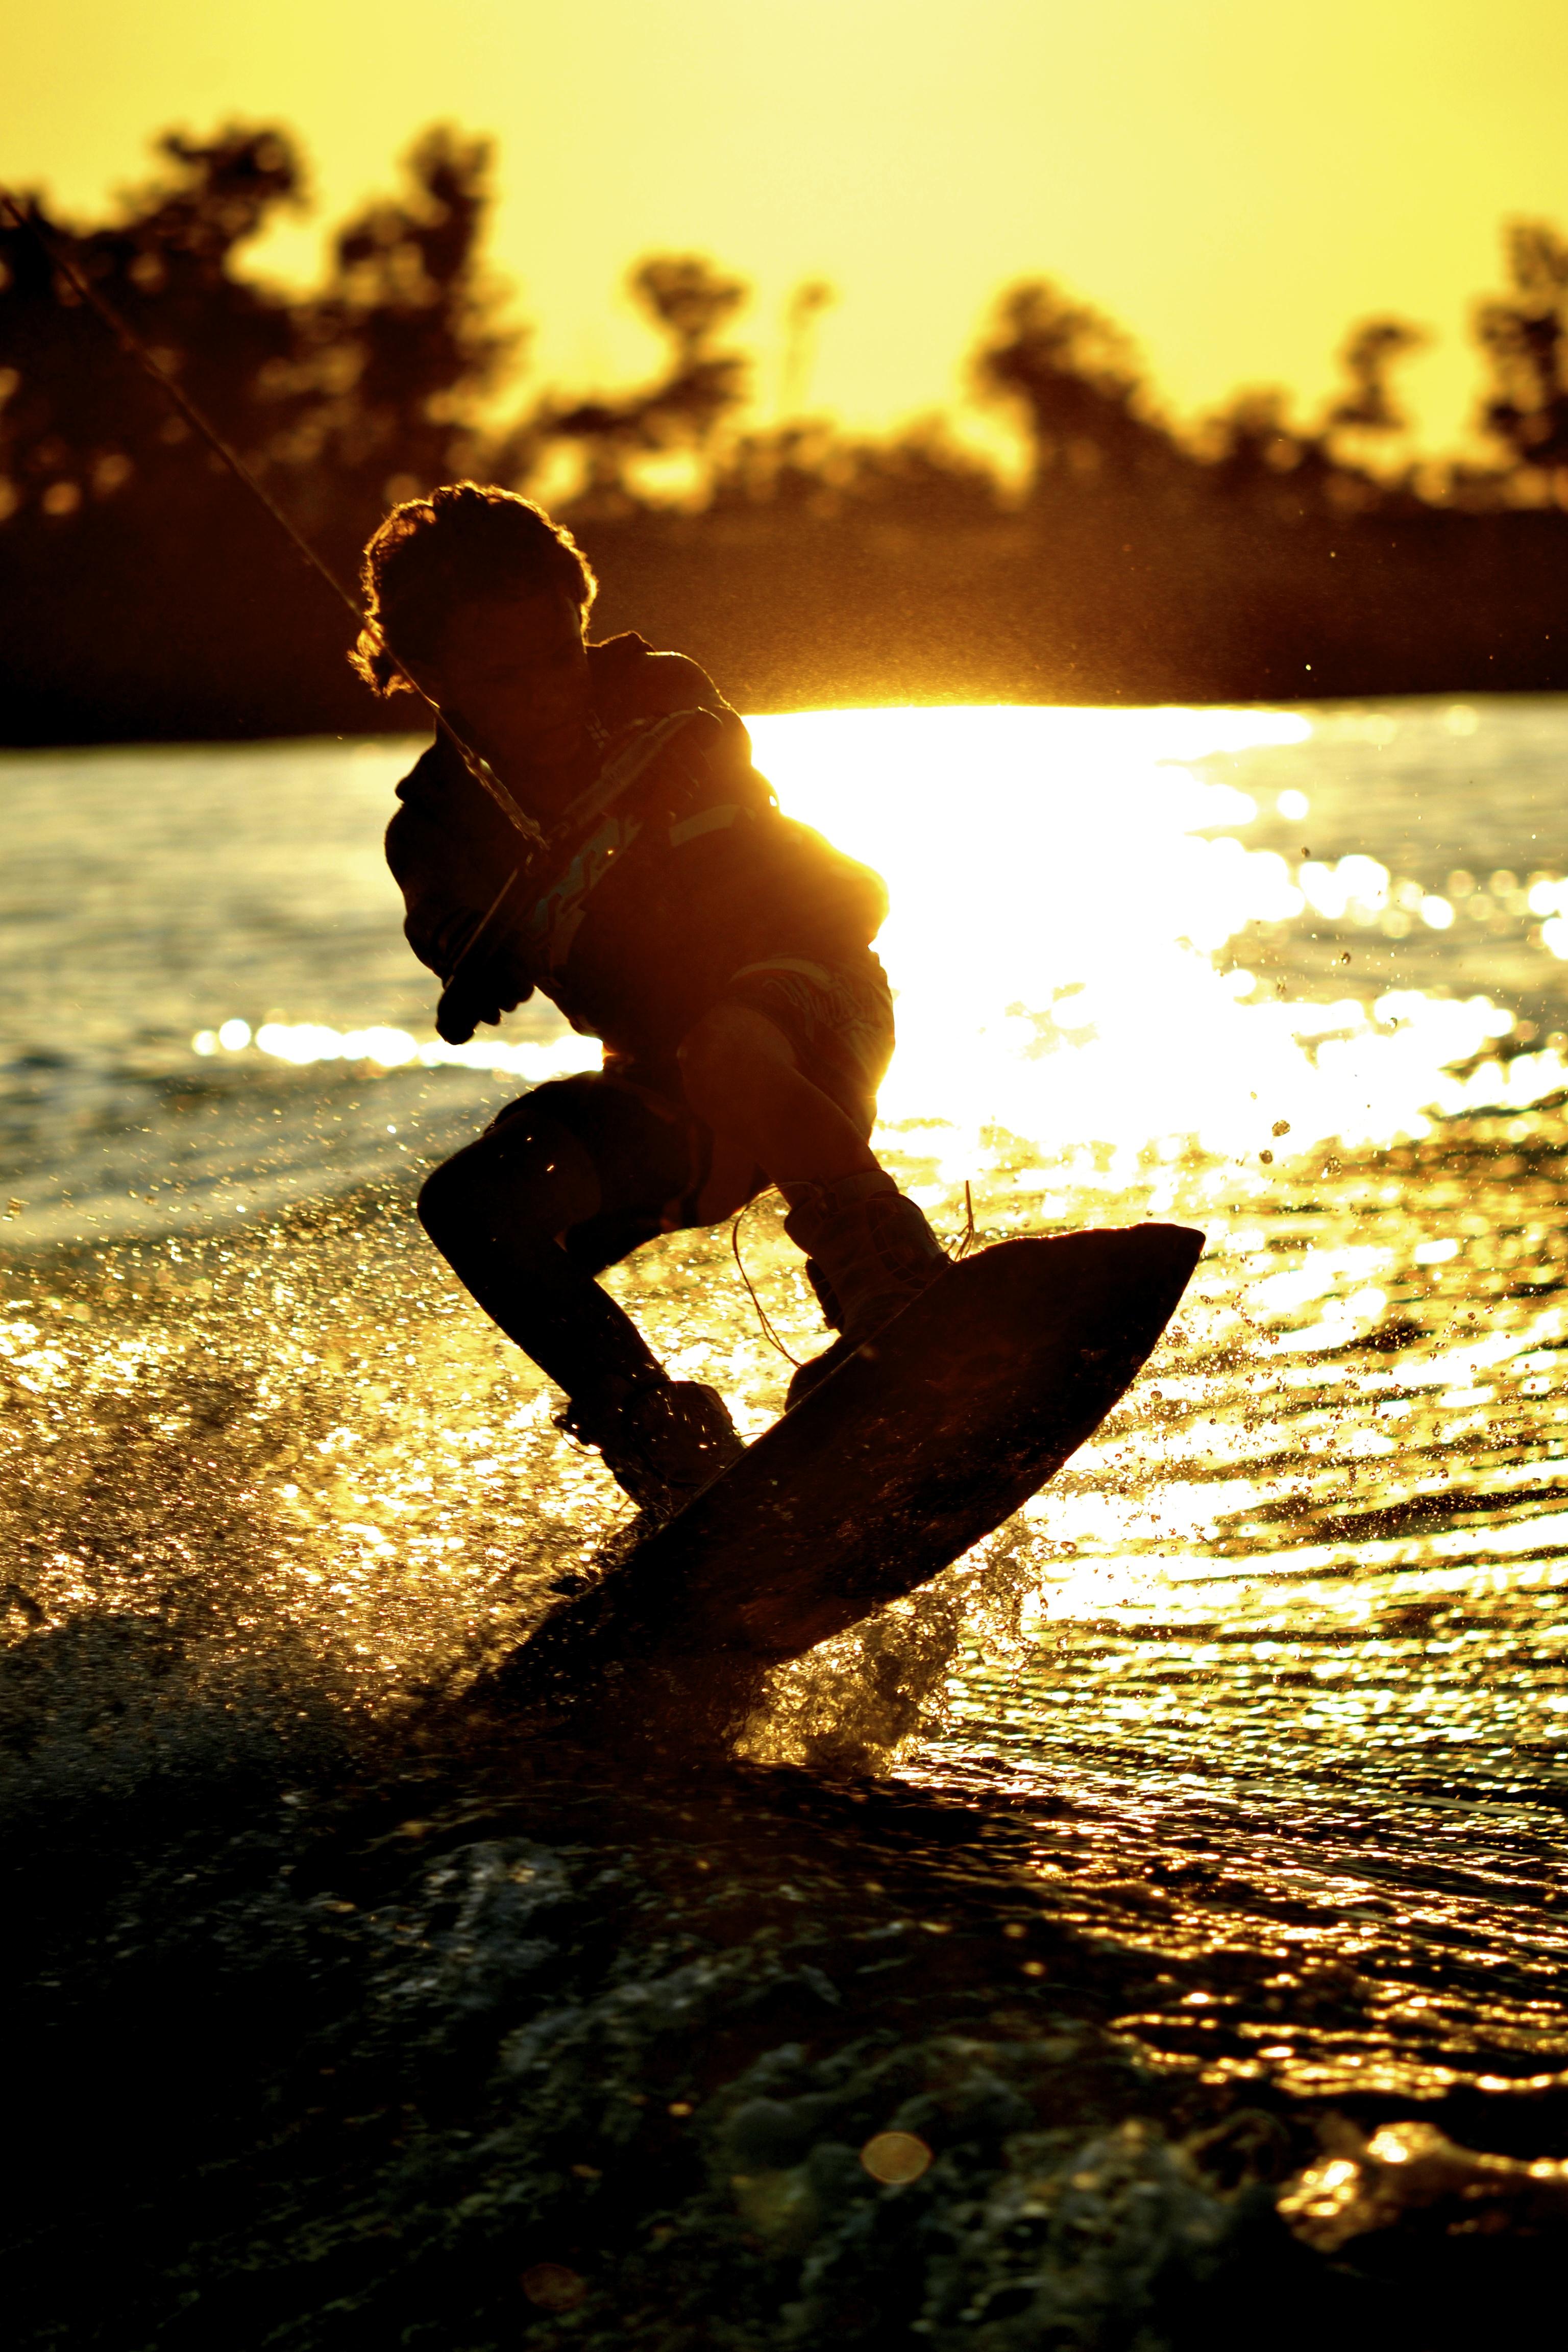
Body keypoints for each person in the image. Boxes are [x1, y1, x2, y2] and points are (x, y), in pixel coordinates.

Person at [354, 482, 948, 1520]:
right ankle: (662, 1442)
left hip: (814, 1006)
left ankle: (890, 1288)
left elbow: (703, 740)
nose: (546, 693)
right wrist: (481, 952)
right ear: (429, 675)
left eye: (558, 655)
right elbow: (451, 939)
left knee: (730, 1046)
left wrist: (633, 795)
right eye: (503, 676)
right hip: (670, 1094)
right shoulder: (434, 832)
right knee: (471, 1207)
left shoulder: (655, 695)